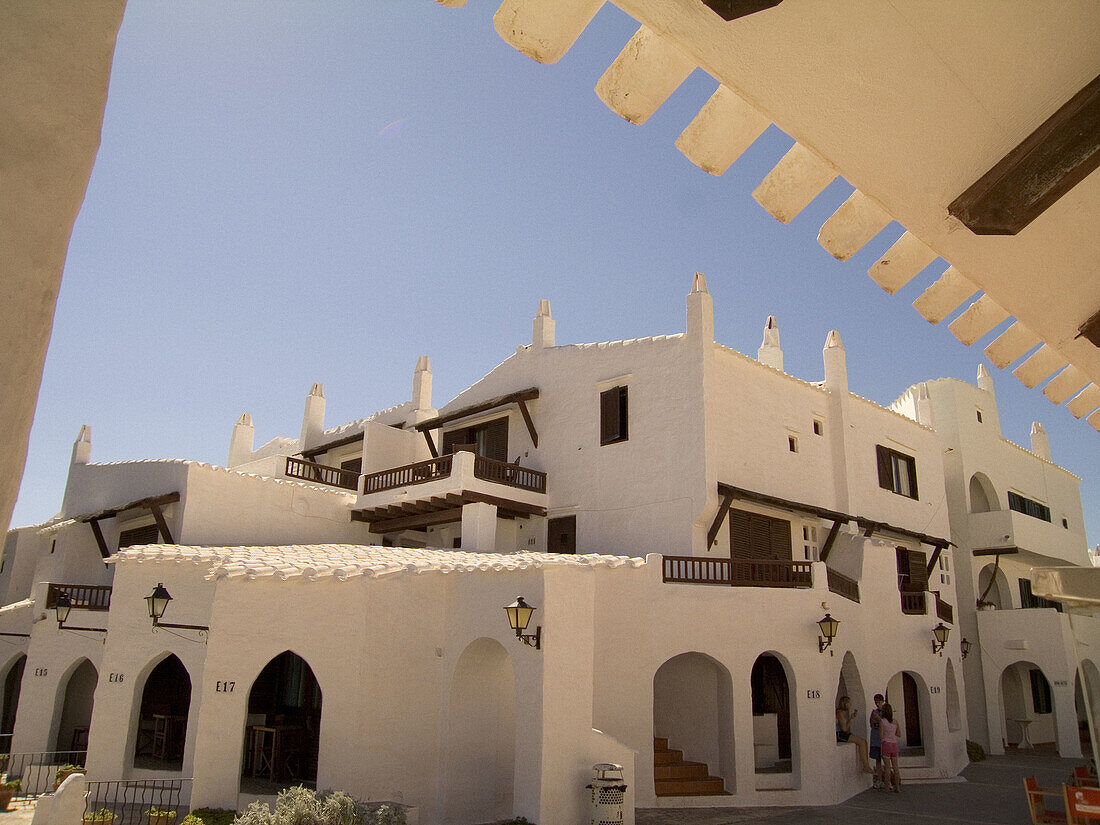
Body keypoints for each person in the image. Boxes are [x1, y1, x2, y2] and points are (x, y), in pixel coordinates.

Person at [836, 696, 874, 774]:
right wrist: (851, 719)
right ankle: (865, 766)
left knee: (864, 742)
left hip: (843, 733)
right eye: (849, 703)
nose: (850, 705)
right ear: (845, 703)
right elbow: (844, 728)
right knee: (862, 742)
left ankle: (866, 764)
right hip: (840, 734)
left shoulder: (842, 713)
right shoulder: (839, 713)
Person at [879, 702, 902, 792]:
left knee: (887, 768)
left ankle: (887, 787)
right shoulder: (895, 721)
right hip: (894, 744)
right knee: (896, 767)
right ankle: (897, 787)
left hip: (886, 744)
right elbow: (899, 734)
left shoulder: (882, 721)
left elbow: (881, 735)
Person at [869, 694, 885, 789]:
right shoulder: (874, 712)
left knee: (886, 761)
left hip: (883, 739)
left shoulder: (886, 711)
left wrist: (878, 720)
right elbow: (872, 724)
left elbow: (886, 723)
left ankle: (886, 780)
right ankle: (879, 779)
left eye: (878, 702)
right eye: (876, 702)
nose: (877, 704)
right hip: (875, 738)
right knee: (878, 760)